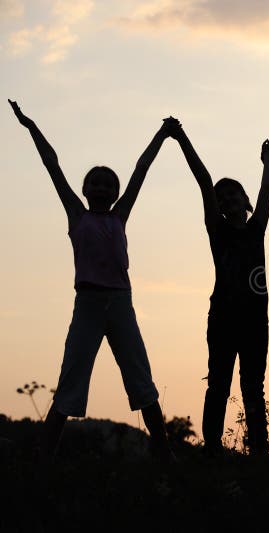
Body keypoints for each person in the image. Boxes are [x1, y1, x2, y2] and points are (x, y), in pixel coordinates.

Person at [8, 99, 172, 461]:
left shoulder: (120, 216)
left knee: (140, 376)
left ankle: (164, 451)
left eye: (106, 184)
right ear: (84, 190)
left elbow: (141, 169)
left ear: (115, 193)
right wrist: (30, 125)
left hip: (121, 304)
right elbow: (52, 165)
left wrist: (162, 134)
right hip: (88, 305)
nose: (100, 188)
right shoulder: (77, 215)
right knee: (71, 377)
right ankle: (44, 456)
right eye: (94, 183)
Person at [171, 121, 269, 455]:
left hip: (256, 320)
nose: (229, 197)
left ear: (245, 202)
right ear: (216, 205)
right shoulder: (217, 229)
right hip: (223, 317)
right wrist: (181, 136)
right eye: (222, 195)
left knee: (252, 388)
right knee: (218, 384)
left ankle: (259, 450)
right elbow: (203, 179)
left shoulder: (257, 227)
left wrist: (268, 165)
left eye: (235, 193)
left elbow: (265, 195)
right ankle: (213, 448)